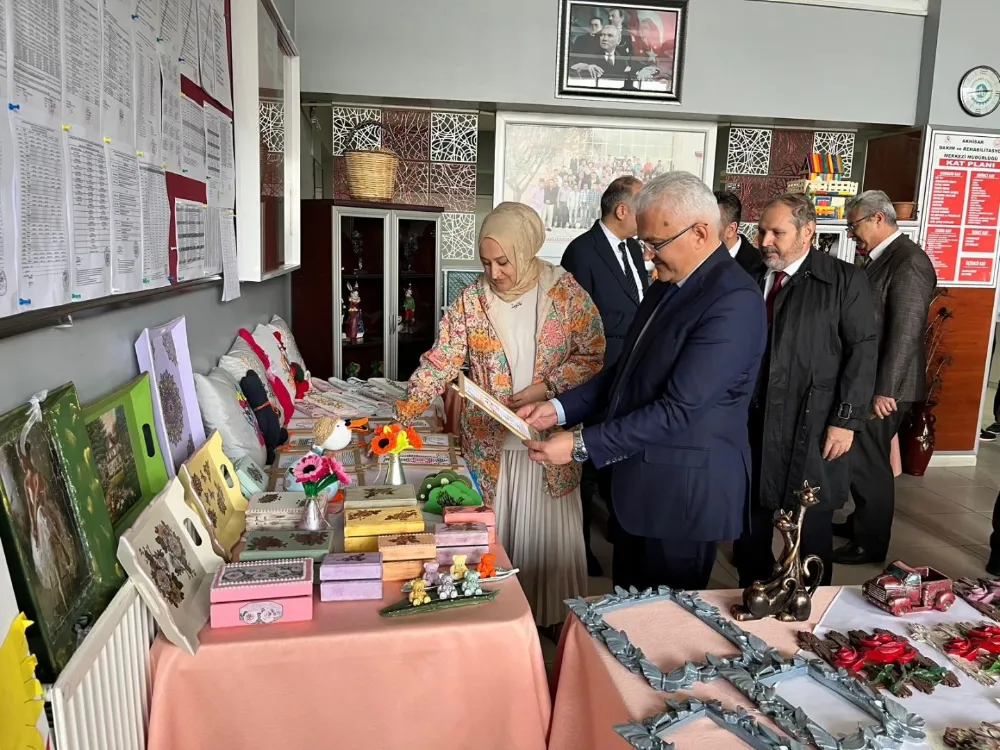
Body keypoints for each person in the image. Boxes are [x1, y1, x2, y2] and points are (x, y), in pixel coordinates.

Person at [519, 172, 767, 591]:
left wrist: (581, 445)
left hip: (682, 498)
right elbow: (626, 372)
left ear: (700, 233)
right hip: (640, 484)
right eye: (644, 244)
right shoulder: (666, 286)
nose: (648, 256)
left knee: (665, 622)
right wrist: (559, 409)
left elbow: (679, 409)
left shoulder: (733, 301)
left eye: (656, 244)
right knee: (625, 609)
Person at [394, 202, 605, 631]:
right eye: (486, 262)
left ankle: (549, 622)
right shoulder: (473, 300)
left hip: (548, 442)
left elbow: (593, 357)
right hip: (490, 445)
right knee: (497, 534)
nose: (494, 272)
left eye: (503, 262)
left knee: (545, 539)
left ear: (526, 250)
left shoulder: (565, 294)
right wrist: (405, 411)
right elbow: (441, 360)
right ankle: (501, 626)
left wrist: (545, 388)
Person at [733, 194, 877, 588]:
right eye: (761, 232)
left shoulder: (843, 280)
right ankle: (751, 596)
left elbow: (863, 352)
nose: (765, 242)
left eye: (777, 233)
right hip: (752, 419)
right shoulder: (748, 275)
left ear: (807, 232)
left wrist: (845, 420)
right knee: (749, 524)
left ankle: (809, 605)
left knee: (809, 525)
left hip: (812, 422)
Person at [833, 191, 937, 565]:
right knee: (863, 456)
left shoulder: (909, 262)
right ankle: (860, 524)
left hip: (887, 388)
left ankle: (870, 542)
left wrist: (884, 390)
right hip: (873, 380)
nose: (851, 234)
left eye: (854, 225)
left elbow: (906, 332)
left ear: (878, 218)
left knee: (869, 461)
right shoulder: (882, 258)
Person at [561, 175, 645, 576]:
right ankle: (582, 548)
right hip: (596, 371)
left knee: (622, 454)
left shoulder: (635, 249)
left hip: (634, 369)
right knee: (588, 464)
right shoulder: (582, 250)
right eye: (642, 205)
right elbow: (570, 321)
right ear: (622, 210)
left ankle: (620, 530)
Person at [715, 190, 764, 276]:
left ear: (730, 230)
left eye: (709, 225)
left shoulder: (760, 266)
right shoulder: (695, 256)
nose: (701, 231)